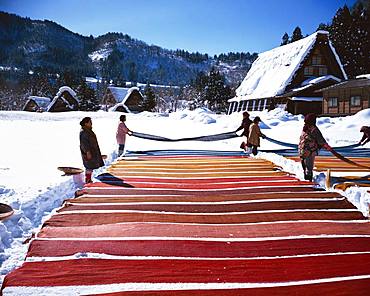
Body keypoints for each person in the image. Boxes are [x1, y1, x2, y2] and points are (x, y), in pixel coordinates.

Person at [298, 113, 332, 182]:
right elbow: (320, 139)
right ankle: (308, 181)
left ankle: (306, 176)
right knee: (309, 167)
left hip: (302, 150)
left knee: (305, 165)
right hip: (309, 151)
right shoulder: (314, 129)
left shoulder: (305, 128)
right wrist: (327, 146)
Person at [79, 117, 104, 183]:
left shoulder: (88, 130)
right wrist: (87, 152)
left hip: (92, 150)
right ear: (86, 123)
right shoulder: (84, 132)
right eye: (90, 122)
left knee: (90, 166)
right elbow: (84, 143)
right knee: (89, 166)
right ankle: (88, 180)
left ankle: (88, 179)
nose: (91, 123)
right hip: (88, 151)